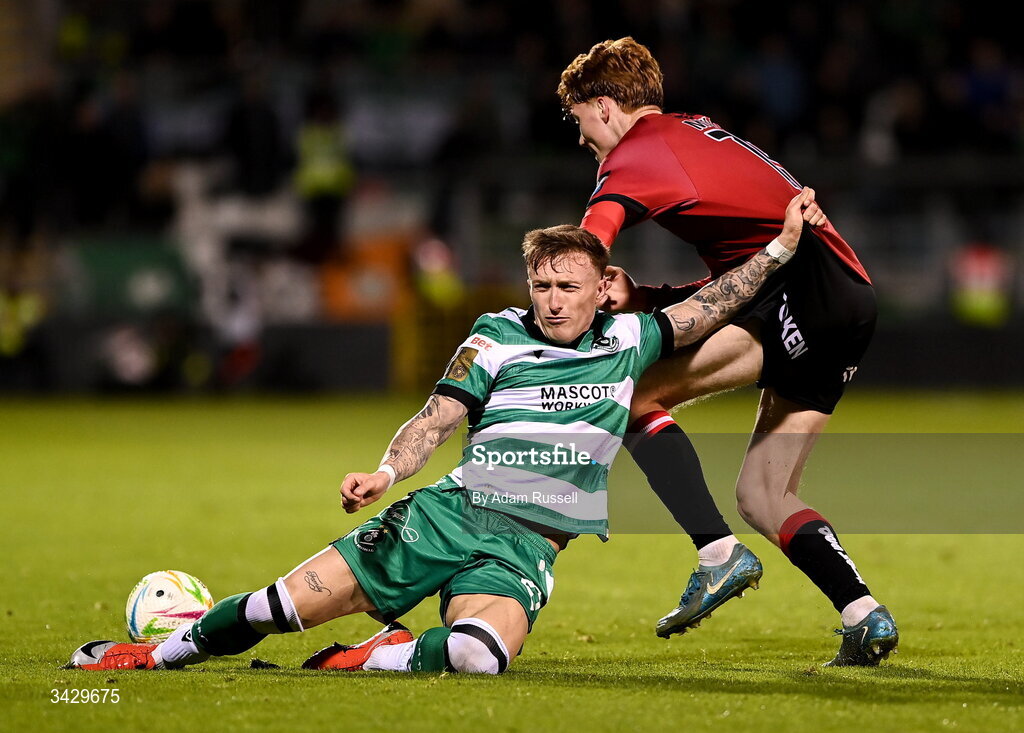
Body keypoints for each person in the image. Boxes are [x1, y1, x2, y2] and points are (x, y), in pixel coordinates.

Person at [67, 190, 816, 675]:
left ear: (601, 286)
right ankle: (149, 655)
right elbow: (436, 417)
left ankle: (373, 655)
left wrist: (782, 247)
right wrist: (388, 474)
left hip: (526, 544)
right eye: (542, 286)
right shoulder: (495, 336)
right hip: (444, 516)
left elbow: (716, 301)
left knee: (478, 655)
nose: (553, 301)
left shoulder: (632, 340)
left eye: (568, 286)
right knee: (277, 607)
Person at [557, 37, 897, 666]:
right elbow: (745, 275)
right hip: (843, 297)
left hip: (797, 288)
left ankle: (716, 553)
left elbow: (584, 248)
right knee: (764, 496)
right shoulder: (692, 133)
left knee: (628, 394)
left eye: (578, 121)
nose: (582, 140)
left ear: (604, 107)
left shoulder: (632, 156)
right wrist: (648, 295)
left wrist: (549, 314)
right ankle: (865, 615)